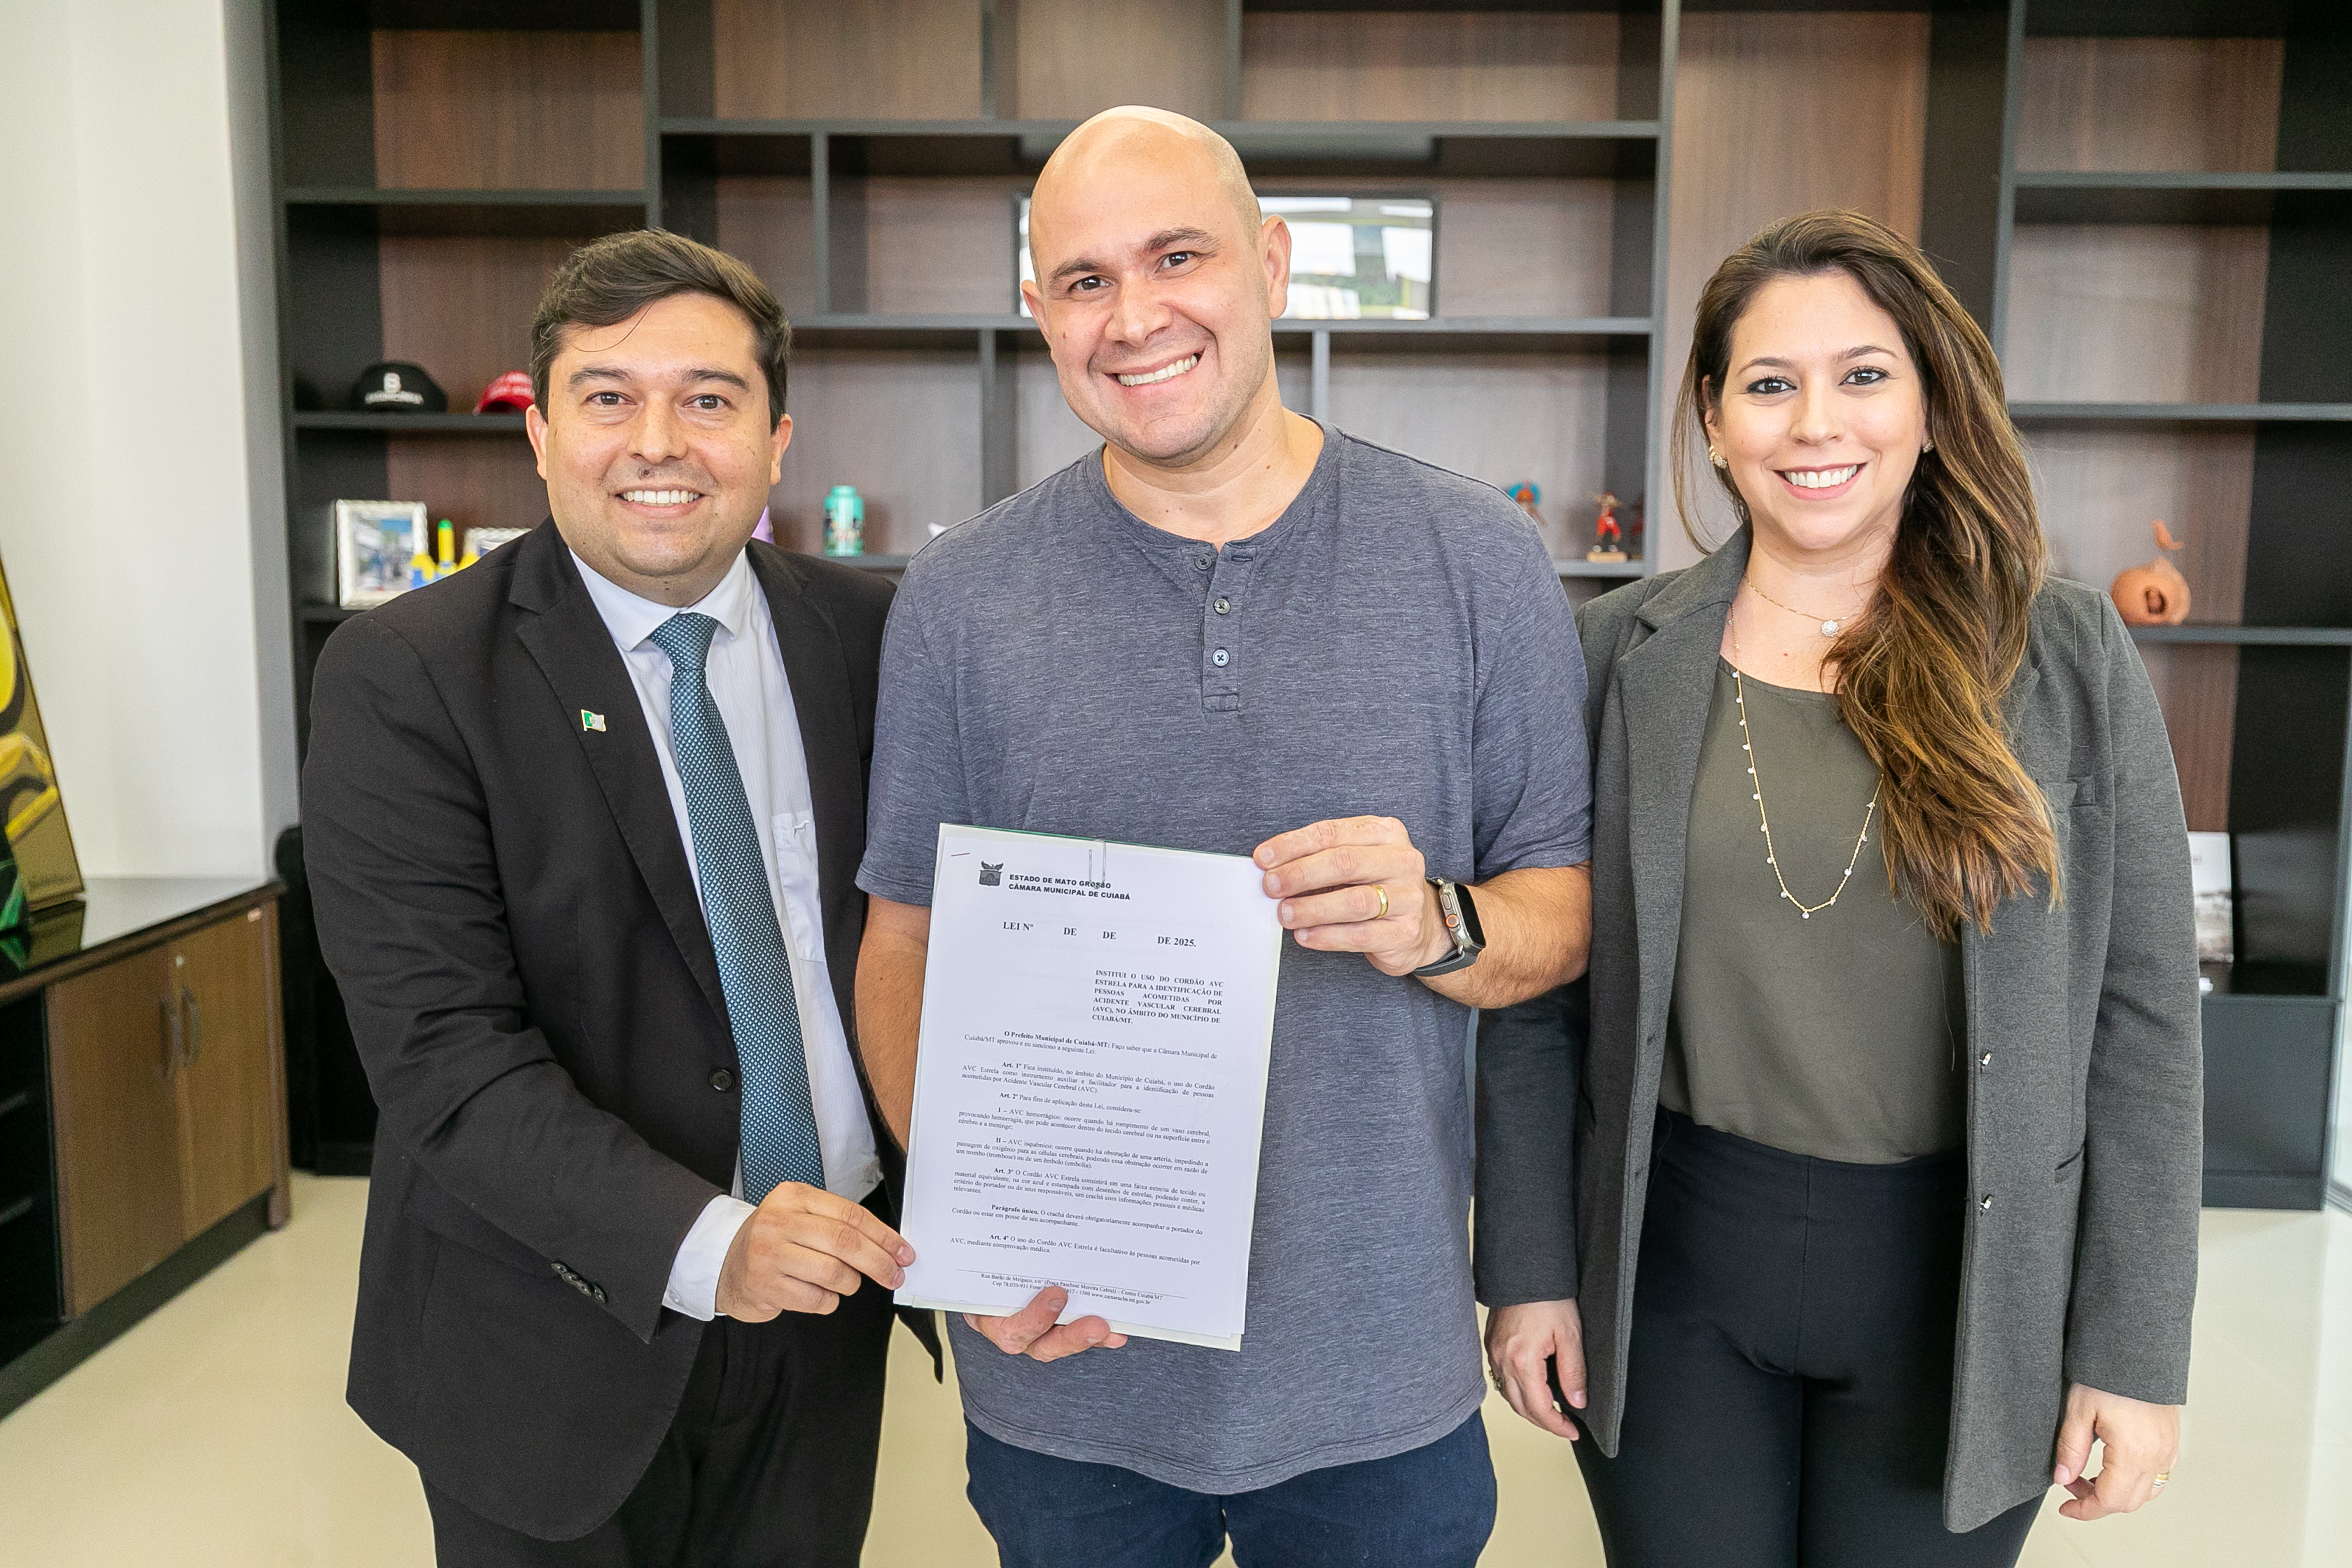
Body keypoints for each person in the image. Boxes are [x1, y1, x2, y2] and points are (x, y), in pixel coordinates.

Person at [852, 107, 1594, 1567]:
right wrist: (969, 1224)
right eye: (1085, 280)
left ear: (1272, 264)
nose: (1135, 317)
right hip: (1070, 1377)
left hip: (1375, 1378)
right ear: (1041, 312)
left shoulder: (1480, 560)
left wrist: (1438, 921)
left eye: (1177, 256)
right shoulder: (958, 597)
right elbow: (905, 938)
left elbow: (1560, 910)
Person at [1475, 209, 2202, 1567]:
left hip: (1965, 1285)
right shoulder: (1613, 656)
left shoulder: (2063, 653)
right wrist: (1526, 1269)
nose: (1817, 423)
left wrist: (2135, 1348)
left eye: (1864, 375)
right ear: (1713, 419)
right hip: (1677, 1270)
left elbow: (2145, 1019)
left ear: (1929, 408)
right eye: (1770, 383)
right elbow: (1539, 994)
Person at [304, 228, 932, 1567]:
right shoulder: (407, 676)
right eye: (607, 397)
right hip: (544, 1331)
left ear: (775, 441)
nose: (659, 442)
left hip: (827, 1311)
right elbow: (444, 1059)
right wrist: (711, 1245)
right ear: (540, 436)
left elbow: (938, 938)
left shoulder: (877, 638)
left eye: (708, 398)